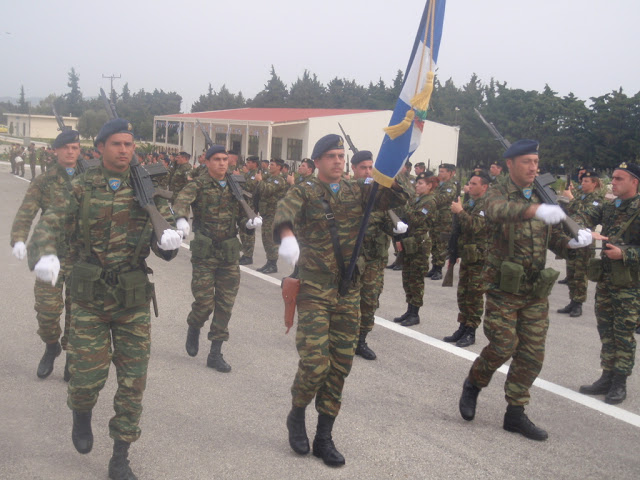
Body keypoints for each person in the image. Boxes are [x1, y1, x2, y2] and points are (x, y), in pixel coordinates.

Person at [27, 118, 182, 480]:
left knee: (133, 381)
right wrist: (45, 253)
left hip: (132, 299)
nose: (125, 149)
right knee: (86, 378)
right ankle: (81, 415)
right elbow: (47, 226)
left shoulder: (149, 189)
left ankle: (120, 455)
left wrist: (170, 242)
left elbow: (167, 241)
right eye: (116, 143)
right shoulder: (78, 188)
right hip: (89, 299)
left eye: (129, 144)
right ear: (99, 149)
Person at [274, 134, 407, 466]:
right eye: (331, 155)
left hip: (349, 291)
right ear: (317, 161)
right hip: (315, 291)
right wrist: (288, 236)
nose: (337, 160)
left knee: (340, 365)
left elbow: (393, 198)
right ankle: (297, 412)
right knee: (315, 363)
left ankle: (324, 436)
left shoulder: (357, 190)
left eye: (340, 155)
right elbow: (284, 211)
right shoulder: (303, 190)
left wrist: (392, 168)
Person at [458, 139, 593, 441]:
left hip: (534, 288)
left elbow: (554, 237)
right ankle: (474, 383)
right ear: (510, 165)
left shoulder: (544, 194)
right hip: (503, 287)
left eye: (536, 161)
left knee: (532, 354)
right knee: (503, 346)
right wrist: (535, 210)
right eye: (526, 162)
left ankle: (515, 414)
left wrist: (572, 243)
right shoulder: (498, 192)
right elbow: (496, 211)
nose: (533, 167)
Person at [173, 145, 261, 372]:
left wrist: (249, 225)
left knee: (225, 304)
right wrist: (182, 219)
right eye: (217, 159)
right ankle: (194, 325)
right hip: (205, 253)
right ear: (207, 162)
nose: (223, 163)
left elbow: (243, 216)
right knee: (204, 303)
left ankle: (215, 352)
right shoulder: (198, 184)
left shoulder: (236, 185)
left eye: (225, 159)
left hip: (229, 253)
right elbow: (181, 200)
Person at [10, 130, 82, 381]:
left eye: (75, 148)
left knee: (78, 312)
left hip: (81, 257)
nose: (71, 152)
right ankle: (51, 345)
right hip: (49, 254)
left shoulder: (90, 178)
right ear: (56, 150)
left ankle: (72, 355)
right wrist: (18, 238)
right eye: (66, 148)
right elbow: (26, 212)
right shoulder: (44, 180)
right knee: (47, 311)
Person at [578, 162, 640, 404]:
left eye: (619, 179)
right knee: (606, 329)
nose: (612, 182)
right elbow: (585, 215)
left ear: (634, 182)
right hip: (606, 280)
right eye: (613, 178)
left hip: (629, 285)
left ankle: (619, 382)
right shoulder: (610, 206)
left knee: (623, 333)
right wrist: (578, 224)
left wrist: (626, 254)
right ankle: (606, 375)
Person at [350, 150, 406, 359]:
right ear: (354, 169)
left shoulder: (381, 194)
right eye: (363, 167)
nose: (367, 171)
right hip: (351, 259)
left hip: (374, 259)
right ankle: (342, 338)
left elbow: (401, 201)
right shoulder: (348, 192)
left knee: (370, 300)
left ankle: (361, 340)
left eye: (370, 168)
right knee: (346, 300)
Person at [443, 171, 491, 347]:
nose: (470, 187)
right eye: (469, 183)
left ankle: (471, 331)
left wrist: (460, 211)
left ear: (484, 187)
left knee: (475, 295)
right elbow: (459, 229)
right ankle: (462, 326)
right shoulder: (471, 202)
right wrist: (454, 252)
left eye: (474, 184)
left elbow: (475, 226)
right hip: (468, 255)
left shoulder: (486, 204)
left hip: (480, 258)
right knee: (463, 293)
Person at [393, 173, 439, 326]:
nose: (417, 186)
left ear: (429, 185)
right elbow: (405, 220)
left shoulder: (429, 202)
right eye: (417, 183)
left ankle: (415, 313)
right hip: (409, 242)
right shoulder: (416, 199)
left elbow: (417, 219)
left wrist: (406, 206)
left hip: (420, 244)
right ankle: (409, 309)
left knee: (416, 279)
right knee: (407, 277)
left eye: (420, 183)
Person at [557, 170, 603, 317]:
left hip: (585, 242)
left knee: (580, 273)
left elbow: (584, 215)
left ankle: (579, 303)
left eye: (586, 181)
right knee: (571, 272)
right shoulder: (580, 197)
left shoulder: (597, 199)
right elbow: (569, 211)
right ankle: (572, 300)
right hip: (573, 239)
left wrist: (570, 199)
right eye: (582, 181)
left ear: (594, 183)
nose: (582, 183)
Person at [255, 158, 288, 274]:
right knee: (265, 238)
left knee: (271, 239)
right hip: (266, 213)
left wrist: (259, 181)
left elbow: (267, 190)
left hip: (274, 214)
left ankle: (273, 264)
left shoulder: (279, 180)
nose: (270, 166)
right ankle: (269, 262)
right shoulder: (269, 178)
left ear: (279, 167)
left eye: (273, 165)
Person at [427, 163, 458, 280]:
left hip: (445, 220)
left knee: (441, 244)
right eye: (440, 170)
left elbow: (442, 199)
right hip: (435, 218)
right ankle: (434, 267)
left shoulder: (451, 186)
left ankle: (439, 269)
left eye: (443, 171)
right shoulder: (439, 185)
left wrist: (429, 196)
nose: (440, 173)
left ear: (450, 173)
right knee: (434, 243)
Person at [238, 155, 262, 265]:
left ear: (255, 164)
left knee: (249, 232)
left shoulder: (257, 174)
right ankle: (245, 253)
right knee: (242, 231)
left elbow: (250, 187)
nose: (247, 163)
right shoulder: (248, 174)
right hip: (244, 205)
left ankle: (249, 256)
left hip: (251, 206)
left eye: (250, 162)